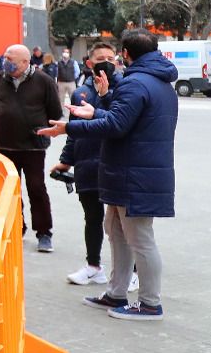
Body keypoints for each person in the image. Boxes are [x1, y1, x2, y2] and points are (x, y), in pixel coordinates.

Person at [40, 30, 178, 321]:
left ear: (125, 54)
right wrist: (97, 111)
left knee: (139, 238)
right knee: (116, 231)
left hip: (134, 173)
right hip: (130, 171)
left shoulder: (137, 83)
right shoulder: (156, 83)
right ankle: (116, 292)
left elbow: (116, 126)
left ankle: (150, 303)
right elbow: (123, 121)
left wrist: (69, 127)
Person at [0, 44, 63, 253]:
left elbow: (55, 111)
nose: (6, 62)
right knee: (9, 191)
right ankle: (15, 228)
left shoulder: (43, 81)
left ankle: (44, 232)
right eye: (5, 57)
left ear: (25, 62)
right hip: (4, 145)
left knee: (36, 188)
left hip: (32, 146)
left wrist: (37, 127)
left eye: (11, 59)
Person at [54, 42, 118, 286]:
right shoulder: (81, 92)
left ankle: (131, 271)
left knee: (121, 223)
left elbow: (120, 122)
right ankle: (94, 266)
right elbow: (73, 131)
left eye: (110, 58)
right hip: (87, 165)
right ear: (89, 63)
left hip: (114, 163)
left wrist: (107, 95)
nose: (106, 61)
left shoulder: (124, 88)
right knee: (92, 218)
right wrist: (65, 161)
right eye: (100, 58)